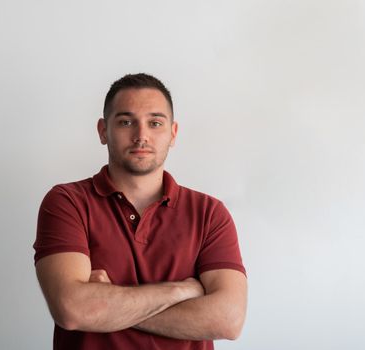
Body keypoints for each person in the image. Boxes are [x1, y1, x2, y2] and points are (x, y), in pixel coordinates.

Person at [33, 73, 247, 350]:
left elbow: (228, 320)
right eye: (125, 122)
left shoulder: (209, 213)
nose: (141, 135)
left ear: (173, 133)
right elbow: (73, 310)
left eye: (155, 123)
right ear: (102, 130)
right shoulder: (67, 202)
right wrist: (180, 290)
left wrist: (107, 304)